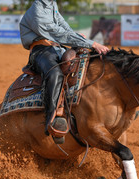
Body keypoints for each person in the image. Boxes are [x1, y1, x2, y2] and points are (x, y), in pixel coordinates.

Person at [20, 0, 109, 143]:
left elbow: (64, 27)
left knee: (88, 62)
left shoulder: (51, 5)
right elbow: (55, 32)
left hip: (58, 48)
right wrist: (91, 43)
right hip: (41, 50)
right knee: (55, 73)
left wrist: (78, 38)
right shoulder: (37, 10)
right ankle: (52, 119)